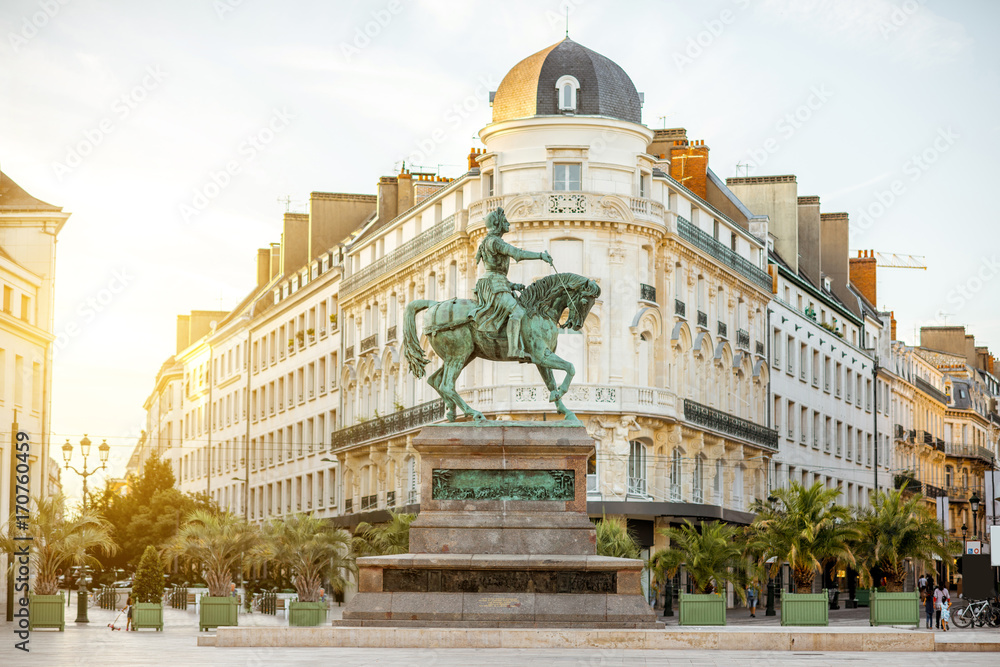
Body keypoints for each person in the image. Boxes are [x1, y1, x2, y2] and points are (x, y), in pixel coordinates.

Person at [470, 208, 554, 359]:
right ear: (498, 224)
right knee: (518, 312)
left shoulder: (488, 242)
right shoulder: (495, 242)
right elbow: (518, 254)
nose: (507, 223)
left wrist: (511, 285)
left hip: (496, 283)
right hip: (493, 285)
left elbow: (495, 268)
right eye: (504, 221)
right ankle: (514, 349)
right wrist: (541, 256)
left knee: (517, 310)